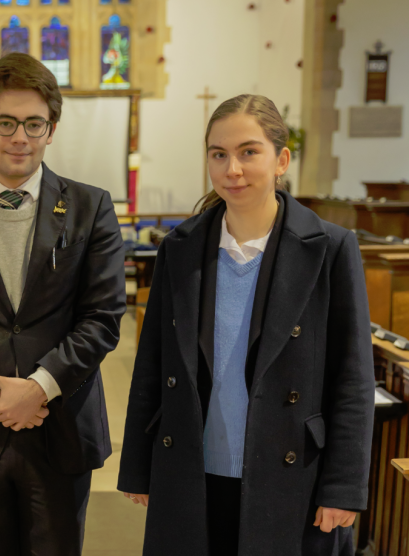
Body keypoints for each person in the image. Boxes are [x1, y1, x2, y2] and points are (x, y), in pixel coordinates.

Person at [117, 94, 373, 556]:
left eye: (248, 152)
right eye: (218, 154)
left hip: (292, 475)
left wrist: (343, 486)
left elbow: (352, 378)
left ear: (281, 160)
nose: (232, 169)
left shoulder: (329, 248)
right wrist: (137, 466)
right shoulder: (180, 247)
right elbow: (153, 362)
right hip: (192, 469)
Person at [0, 52, 126, 556]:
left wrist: (38, 388)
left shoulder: (90, 207)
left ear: (51, 129)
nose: (20, 138)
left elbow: (102, 318)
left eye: (35, 124)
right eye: (6, 123)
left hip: (61, 429)